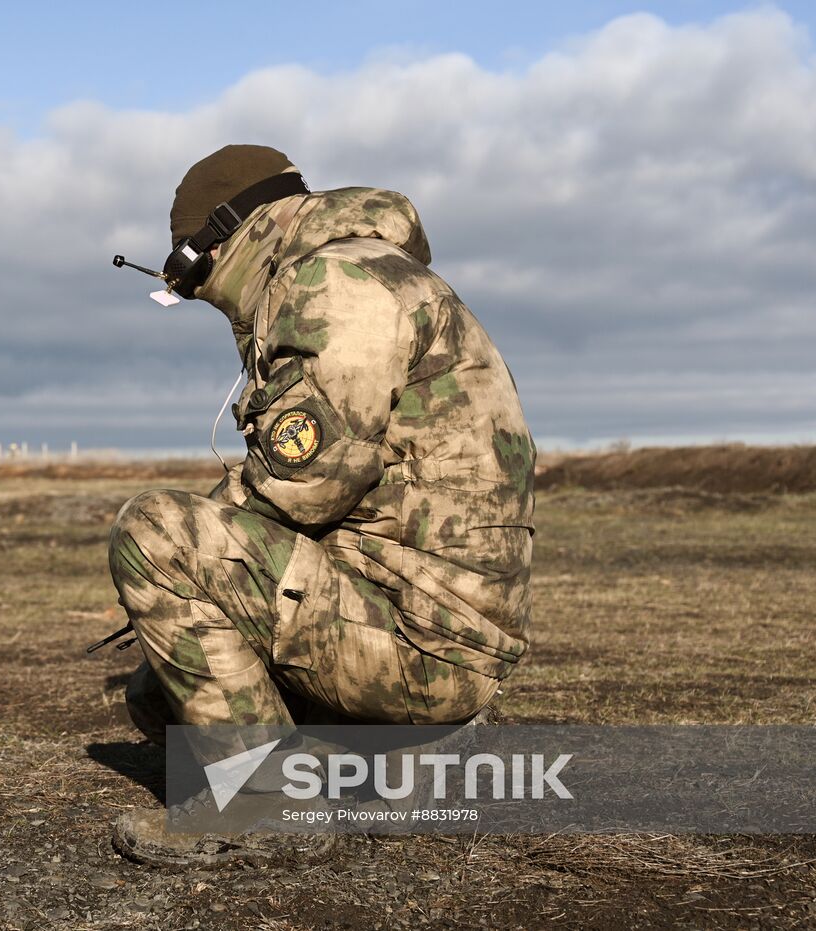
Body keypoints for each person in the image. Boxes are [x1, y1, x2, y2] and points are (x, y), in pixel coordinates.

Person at [107, 145, 535, 863]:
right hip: (419, 620)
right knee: (159, 696)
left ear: (227, 235)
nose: (190, 288)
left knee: (154, 533)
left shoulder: (340, 282)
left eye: (188, 268)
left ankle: (266, 804)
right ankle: (394, 761)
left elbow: (309, 479)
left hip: (420, 638)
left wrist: (194, 549)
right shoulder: (366, 270)